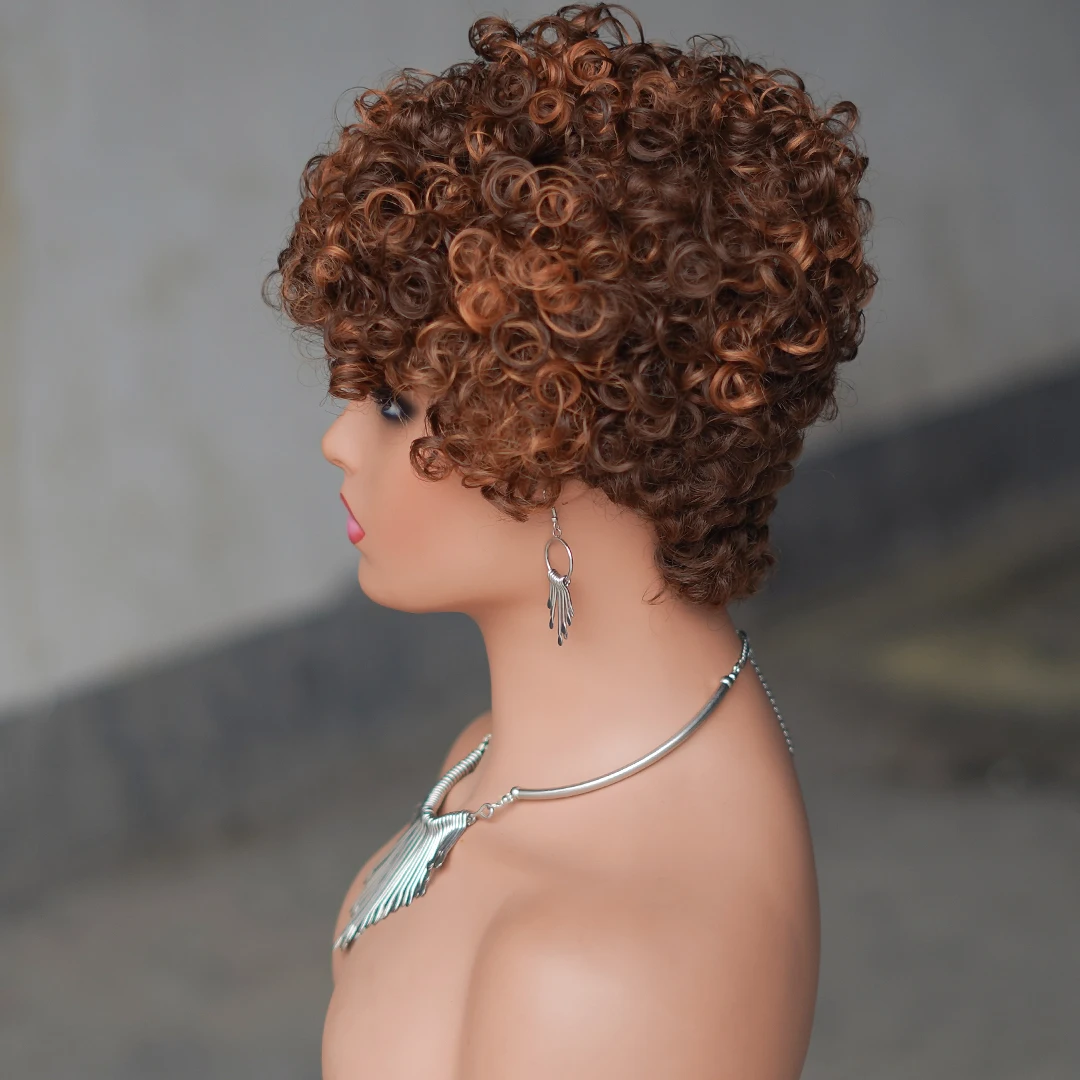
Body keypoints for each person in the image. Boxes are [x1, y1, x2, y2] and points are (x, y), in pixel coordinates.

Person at [264, 4, 876, 1077]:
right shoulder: (499, 759)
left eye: (396, 405)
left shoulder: (608, 978)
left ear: (553, 434)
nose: (338, 441)